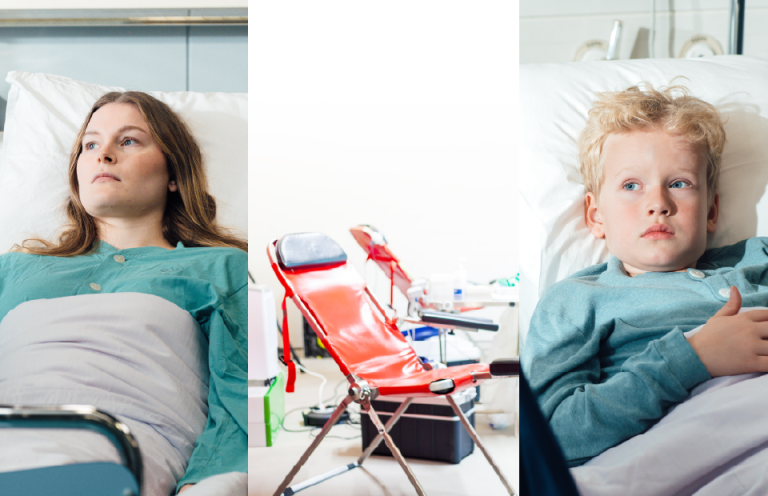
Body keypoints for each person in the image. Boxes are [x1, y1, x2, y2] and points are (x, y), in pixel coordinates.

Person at [0, 91, 247, 495]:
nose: (104, 155)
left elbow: (241, 404)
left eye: (128, 140)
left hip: (108, 462)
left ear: (173, 174)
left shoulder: (222, 268)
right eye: (90, 144)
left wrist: (207, 485)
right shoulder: (12, 270)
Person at [521, 82, 768, 468]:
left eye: (679, 183)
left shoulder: (756, 259)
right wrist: (693, 357)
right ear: (595, 215)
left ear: (710, 211)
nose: (658, 203)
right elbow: (552, 437)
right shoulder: (576, 301)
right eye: (631, 185)